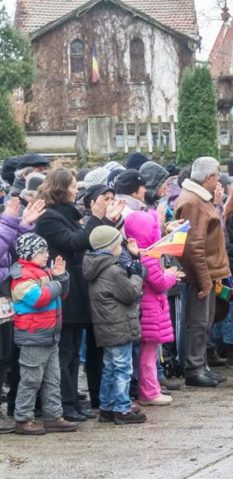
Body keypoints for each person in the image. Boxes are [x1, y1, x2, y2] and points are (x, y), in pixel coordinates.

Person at [35, 169, 124, 422]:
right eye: (73, 186)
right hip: (64, 290)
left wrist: (104, 221)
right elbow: (75, 243)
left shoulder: (68, 216)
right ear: (62, 188)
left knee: (73, 350)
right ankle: (64, 402)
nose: (77, 190)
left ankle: (72, 399)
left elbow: (87, 240)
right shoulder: (49, 219)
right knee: (65, 351)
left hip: (76, 288)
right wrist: (96, 218)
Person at [10, 233, 77, 435]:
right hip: (33, 335)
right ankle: (23, 418)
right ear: (29, 254)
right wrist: (56, 284)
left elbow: (61, 295)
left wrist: (61, 277)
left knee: (52, 378)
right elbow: (38, 299)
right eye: (41, 252)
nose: (46, 254)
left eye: (46, 250)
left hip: (50, 334)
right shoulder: (21, 276)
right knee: (31, 379)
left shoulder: (43, 272)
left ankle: (54, 416)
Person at [174, 157, 230, 387]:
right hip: (199, 273)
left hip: (208, 271)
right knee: (197, 323)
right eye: (216, 176)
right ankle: (194, 367)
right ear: (209, 178)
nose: (218, 181)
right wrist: (204, 280)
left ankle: (201, 365)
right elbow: (193, 245)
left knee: (204, 323)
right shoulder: (193, 202)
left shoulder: (198, 198)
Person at [83, 225, 147, 425]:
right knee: (122, 368)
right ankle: (122, 408)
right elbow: (130, 294)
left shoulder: (96, 267)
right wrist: (137, 274)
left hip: (105, 326)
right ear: (110, 247)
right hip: (119, 325)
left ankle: (107, 407)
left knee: (109, 367)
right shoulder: (112, 271)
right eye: (119, 244)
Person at [124, 211, 182, 406]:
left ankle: (151, 389)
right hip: (151, 309)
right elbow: (158, 282)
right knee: (148, 356)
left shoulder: (141, 253)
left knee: (148, 354)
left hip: (148, 308)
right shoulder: (148, 255)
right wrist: (171, 275)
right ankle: (149, 391)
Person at [0, 200, 45, 433]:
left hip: (4, 299)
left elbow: (14, 249)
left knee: (4, 356)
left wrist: (25, 225)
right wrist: (9, 220)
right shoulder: (4, 223)